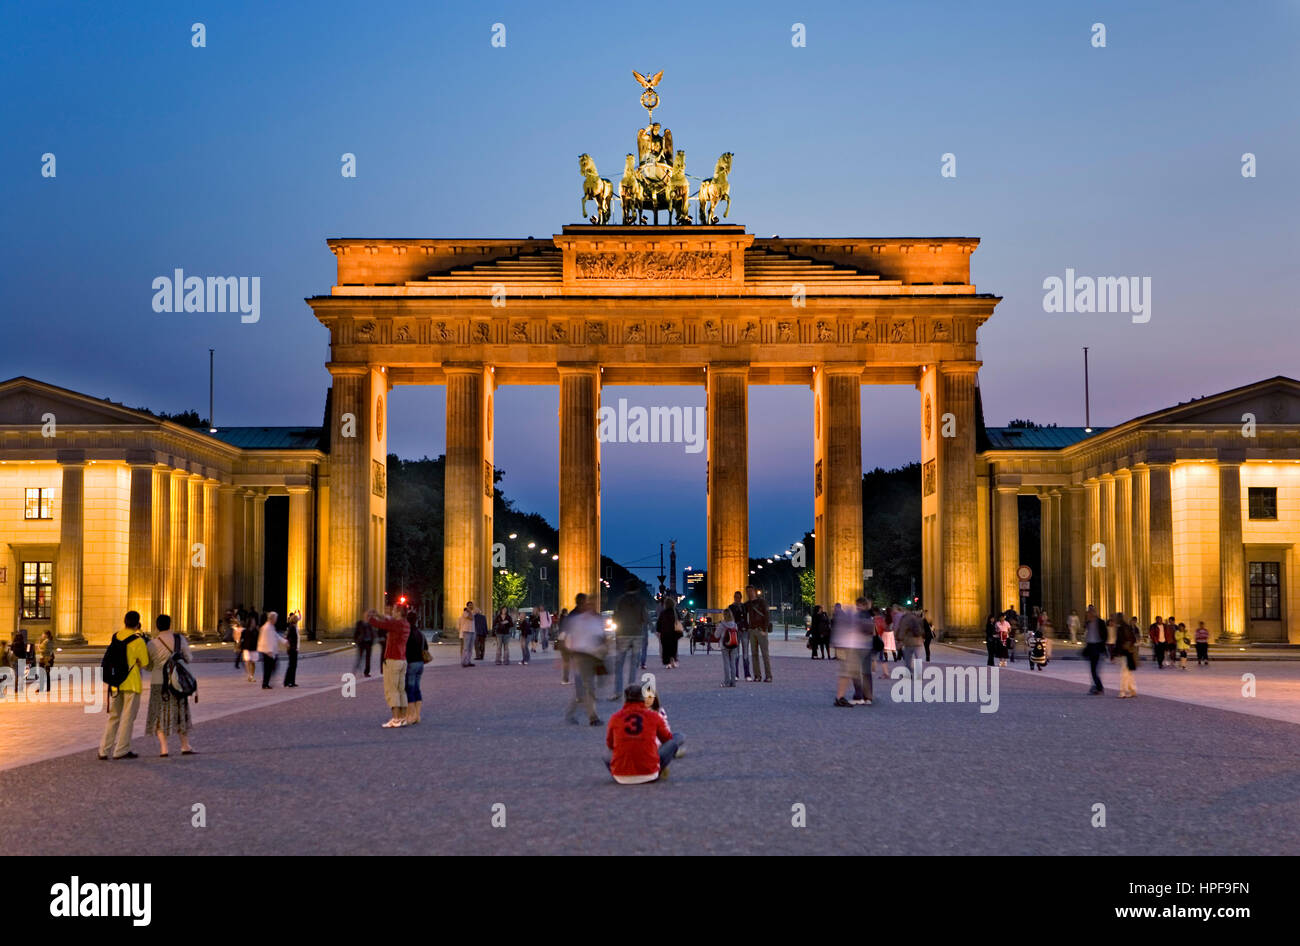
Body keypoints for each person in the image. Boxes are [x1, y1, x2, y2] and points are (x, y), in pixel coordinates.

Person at [99, 611, 150, 761]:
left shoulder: (116, 636)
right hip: (132, 683)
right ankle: (121, 749)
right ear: (138, 623)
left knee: (113, 717)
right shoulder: (138, 640)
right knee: (128, 718)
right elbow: (145, 663)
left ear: (124, 622)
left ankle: (104, 749)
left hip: (115, 683)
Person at [604, 684, 681, 783]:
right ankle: (659, 769)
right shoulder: (653, 716)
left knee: (606, 754)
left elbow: (610, 744)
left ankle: (621, 771)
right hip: (649, 774)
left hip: (620, 776)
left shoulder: (615, 718)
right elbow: (667, 739)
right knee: (674, 741)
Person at [145, 614, 196, 756]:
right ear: (170, 624)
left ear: (156, 626)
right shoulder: (179, 640)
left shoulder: (152, 644)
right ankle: (185, 745)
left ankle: (164, 748)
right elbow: (189, 658)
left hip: (158, 682)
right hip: (176, 682)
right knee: (180, 713)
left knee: (159, 714)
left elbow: (148, 666)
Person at [562, 594, 605, 725]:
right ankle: (593, 717)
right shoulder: (578, 619)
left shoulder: (593, 618)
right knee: (589, 687)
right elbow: (567, 637)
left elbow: (600, 637)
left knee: (584, 690)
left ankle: (570, 714)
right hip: (582, 656)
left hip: (592, 656)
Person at [368, 606, 411, 728]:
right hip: (402, 660)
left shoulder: (396, 624)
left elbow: (379, 624)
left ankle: (395, 719)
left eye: (394, 611)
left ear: (398, 613)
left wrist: (370, 617)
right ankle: (402, 718)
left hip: (392, 659)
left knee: (391, 690)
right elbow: (388, 621)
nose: (392, 612)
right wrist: (378, 614)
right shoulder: (406, 624)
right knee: (401, 690)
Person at [832, 601, 869, 707]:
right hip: (850, 647)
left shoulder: (843, 616)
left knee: (848, 673)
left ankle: (842, 696)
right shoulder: (851, 617)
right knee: (847, 673)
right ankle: (840, 697)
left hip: (847, 646)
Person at [612, 590, 648, 699]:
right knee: (633, 663)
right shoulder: (641, 601)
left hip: (623, 634)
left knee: (619, 664)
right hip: (636, 634)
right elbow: (645, 619)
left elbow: (615, 617)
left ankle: (618, 691)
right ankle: (631, 689)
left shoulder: (620, 600)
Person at [745, 586, 773, 682]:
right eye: (747, 591)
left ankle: (768, 676)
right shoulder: (747, 604)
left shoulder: (762, 602)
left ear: (754, 591)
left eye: (751, 591)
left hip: (761, 630)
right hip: (752, 631)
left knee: (765, 654)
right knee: (754, 654)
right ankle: (757, 675)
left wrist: (764, 629)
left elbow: (767, 615)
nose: (749, 593)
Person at [405, 615, 426, 724]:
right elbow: (425, 648)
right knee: (417, 689)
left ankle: (410, 715)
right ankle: (417, 715)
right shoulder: (420, 634)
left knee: (409, 689)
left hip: (411, 663)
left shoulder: (407, 633)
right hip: (420, 663)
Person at [1082, 605, 1106, 695]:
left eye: (1091, 612)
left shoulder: (1100, 622)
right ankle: (1096, 686)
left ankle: (1099, 687)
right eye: (1088, 612)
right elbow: (1086, 632)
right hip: (1090, 647)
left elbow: (1105, 635)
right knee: (1093, 669)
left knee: (1094, 670)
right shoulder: (1088, 623)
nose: (1089, 614)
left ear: (1094, 613)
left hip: (1097, 647)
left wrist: (1102, 645)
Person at [728, 591, 752, 680]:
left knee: (745, 654)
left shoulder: (744, 606)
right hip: (736, 632)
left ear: (741, 598)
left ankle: (747, 674)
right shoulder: (731, 607)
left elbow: (747, 618)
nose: (737, 599)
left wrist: (748, 627)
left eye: (738, 597)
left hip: (745, 631)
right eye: (735, 597)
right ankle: (735, 674)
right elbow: (729, 619)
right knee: (736, 654)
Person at [1113, 613, 1137, 698]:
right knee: (1128, 672)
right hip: (1128, 652)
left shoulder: (1121, 628)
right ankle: (1132, 689)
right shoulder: (1126, 627)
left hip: (1125, 652)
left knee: (1124, 672)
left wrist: (1114, 653)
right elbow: (1133, 639)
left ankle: (1122, 691)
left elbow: (1119, 641)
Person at [656, 597, 681, 669]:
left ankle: (668, 663)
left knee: (666, 649)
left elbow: (659, 623)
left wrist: (659, 631)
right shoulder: (675, 612)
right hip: (673, 633)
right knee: (673, 648)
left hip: (665, 633)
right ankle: (673, 662)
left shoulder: (663, 613)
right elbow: (679, 620)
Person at [718, 610, 739, 687]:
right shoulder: (735, 624)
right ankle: (733, 682)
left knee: (726, 664)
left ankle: (727, 681)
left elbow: (716, 635)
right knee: (733, 663)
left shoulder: (722, 624)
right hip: (733, 645)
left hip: (725, 646)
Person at [283, 612, 300, 687]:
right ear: (294, 620)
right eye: (296, 619)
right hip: (292, 649)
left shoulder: (293, 627)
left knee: (293, 666)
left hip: (293, 649)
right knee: (292, 666)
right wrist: (293, 647)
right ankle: (288, 682)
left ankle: (291, 682)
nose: (298, 620)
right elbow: (287, 637)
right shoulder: (291, 628)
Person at [458, 602, 476, 667]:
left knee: (470, 648)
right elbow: (471, 618)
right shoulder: (465, 613)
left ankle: (468, 661)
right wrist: (469, 611)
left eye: (472, 605)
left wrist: (471, 611)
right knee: (466, 648)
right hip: (466, 631)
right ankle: (464, 662)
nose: (471, 606)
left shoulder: (472, 612)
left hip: (472, 631)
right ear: (467, 606)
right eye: (470, 605)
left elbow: (478, 611)